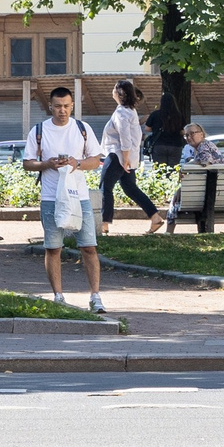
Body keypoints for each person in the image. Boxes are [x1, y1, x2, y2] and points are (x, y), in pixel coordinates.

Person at [22, 87, 106, 312]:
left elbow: (96, 160)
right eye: (58, 106)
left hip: (80, 197)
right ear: (50, 106)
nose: (62, 111)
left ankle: (95, 296)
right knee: (53, 247)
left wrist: (75, 163)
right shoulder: (39, 130)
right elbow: (27, 163)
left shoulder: (82, 128)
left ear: (72, 106)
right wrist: (48, 164)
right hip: (51, 197)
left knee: (89, 246)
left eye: (66, 106)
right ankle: (58, 296)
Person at [101, 80, 159, 232]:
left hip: (117, 156)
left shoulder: (121, 112)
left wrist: (124, 159)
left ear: (119, 93)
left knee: (105, 187)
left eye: (114, 88)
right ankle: (155, 217)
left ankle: (104, 223)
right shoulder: (130, 110)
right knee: (131, 189)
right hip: (128, 158)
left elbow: (124, 137)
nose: (112, 90)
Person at [166, 123, 224, 234]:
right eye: (186, 135)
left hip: (208, 193)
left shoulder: (204, 146)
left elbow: (205, 161)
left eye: (192, 133)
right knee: (178, 194)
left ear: (202, 134)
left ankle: (168, 233)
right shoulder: (206, 146)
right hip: (216, 191)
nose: (189, 137)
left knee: (175, 200)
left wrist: (186, 167)